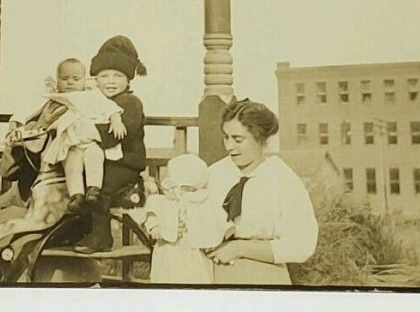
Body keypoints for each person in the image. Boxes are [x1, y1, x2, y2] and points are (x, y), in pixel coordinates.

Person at [204, 99, 318, 285]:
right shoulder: (214, 174)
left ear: (261, 139)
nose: (229, 146)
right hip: (214, 275)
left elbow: (302, 244)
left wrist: (240, 248)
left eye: (238, 139)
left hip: (265, 275)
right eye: (226, 137)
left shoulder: (282, 179)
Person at [73, 35, 148, 254]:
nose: (111, 81)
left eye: (117, 76)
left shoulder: (129, 103)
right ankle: (78, 230)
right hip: (100, 159)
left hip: (125, 164)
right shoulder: (96, 102)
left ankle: (102, 237)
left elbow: (115, 136)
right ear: (95, 79)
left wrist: (84, 131)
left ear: (128, 80)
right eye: (104, 76)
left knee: (101, 188)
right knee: (77, 182)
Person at [39, 58, 128, 214]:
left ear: (84, 80)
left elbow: (109, 107)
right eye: (64, 79)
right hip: (71, 142)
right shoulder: (56, 98)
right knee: (71, 164)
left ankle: (93, 189)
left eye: (76, 79)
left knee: (94, 156)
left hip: (91, 141)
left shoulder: (92, 95)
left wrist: (116, 119)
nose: (70, 83)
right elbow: (39, 115)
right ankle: (76, 195)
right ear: (58, 80)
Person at [144, 154, 232, 284]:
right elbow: (151, 215)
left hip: (195, 253)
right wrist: (156, 228)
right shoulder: (162, 202)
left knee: (197, 278)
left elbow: (218, 216)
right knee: (166, 278)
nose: (166, 188)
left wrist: (227, 229)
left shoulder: (202, 201)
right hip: (168, 252)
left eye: (171, 185)